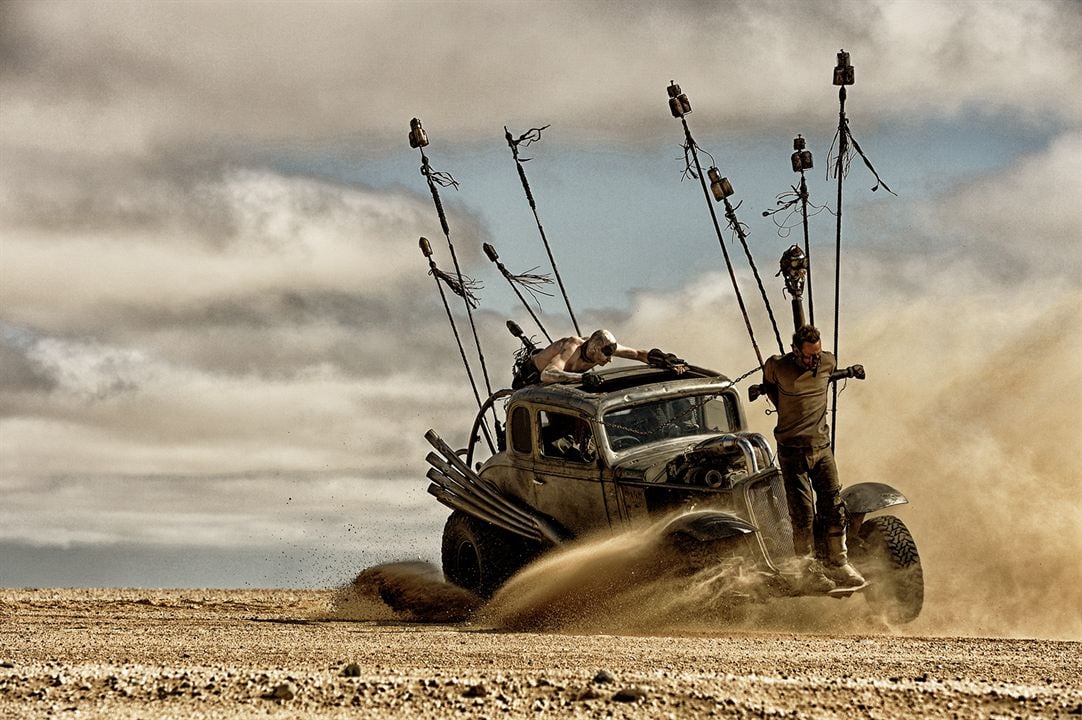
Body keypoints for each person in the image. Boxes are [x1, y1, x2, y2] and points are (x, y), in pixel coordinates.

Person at [759, 324, 867, 592]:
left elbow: (829, 374)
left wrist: (851, 371)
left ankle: (839, 563)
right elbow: (769, 385)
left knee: (833, 504)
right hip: (791, 450)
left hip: (821, 448)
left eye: (816, 355)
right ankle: (807, 571)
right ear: (795, 351)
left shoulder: (828, 362)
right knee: (803, 513)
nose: (813, 360)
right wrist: (782, 406)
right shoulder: (778, 366)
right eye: (808, 356)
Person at [512, 329, 687, 388]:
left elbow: (638, 354)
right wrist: (582, 378)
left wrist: (663, 358)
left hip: (566, 383)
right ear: (595, 348)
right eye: (606, 355)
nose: (609, 360)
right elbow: (547, 374)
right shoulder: (572, 348)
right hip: (533, 377)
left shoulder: (606, 348)